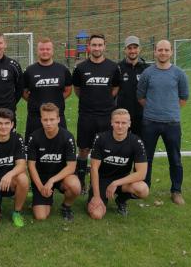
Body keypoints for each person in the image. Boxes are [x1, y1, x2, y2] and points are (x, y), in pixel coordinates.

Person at [137, 40, 190, 205]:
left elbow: (183, 98)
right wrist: (155, 109)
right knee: (147, 158)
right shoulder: (147, 73)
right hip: (150, 123)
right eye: (160, 50)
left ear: (171, 52)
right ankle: (143, 187)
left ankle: (176, 191)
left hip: (172, 123)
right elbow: (140, 96)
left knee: (175, 158)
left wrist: (169, 110)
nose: (163, 53)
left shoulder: (179, 74)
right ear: (155, 52)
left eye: (166, 50)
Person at [71, 33, 120, 194]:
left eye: (100, 45)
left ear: (104, 47)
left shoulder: (113, 67)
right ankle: (81, 181)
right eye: (94, 45)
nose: (97, 48)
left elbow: (115, 88)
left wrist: (104, 99)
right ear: (89, 47)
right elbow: (78, 90)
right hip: (86, 116)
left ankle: (100, 181)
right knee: (84, 149)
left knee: (105, 149)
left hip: (106, 116)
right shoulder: (81, 68)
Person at [86, 109, 149, 219]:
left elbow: (141, 174)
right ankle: (97, 196)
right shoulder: (101, 138)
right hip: (102, 181)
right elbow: (94, 168)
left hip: (122, 181)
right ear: (111, 122)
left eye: (124, 123)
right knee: (96, 215)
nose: (120, 126)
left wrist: (115, 183)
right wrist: (96, 196)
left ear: (129, 124)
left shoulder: (136, 142)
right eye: (117, 122)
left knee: (143, 189)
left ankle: (121, 200)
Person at [26, 103, 80, 221]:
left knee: (75, 186)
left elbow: (71, 167)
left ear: (58, 119)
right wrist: (40, 187)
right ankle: (40, 199)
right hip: (42, 178)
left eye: (52, 119)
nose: (48, 123)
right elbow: (31, 166)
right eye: (45, 119)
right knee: (41, 216)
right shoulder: (34, 137)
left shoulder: (68, 137)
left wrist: (52, 180)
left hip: (61, 177)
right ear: (41, 120)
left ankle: (66, 206)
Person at [23, 38, 72, 138]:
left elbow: (68, 90)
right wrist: (35, 101)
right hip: (35, 117)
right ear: (37, 51)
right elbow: (24, 92)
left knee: (59, 147)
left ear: (52, 50)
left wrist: (56, 100)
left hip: (57, 117)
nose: (45, 51)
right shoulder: (30, 70)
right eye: (42, 49)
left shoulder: (62, 69)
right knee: (33, 149)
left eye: (48, 49)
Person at [116, 36, 149, 137]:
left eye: (135, 48)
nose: (132, 51)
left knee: (141, 147)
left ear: (139, 49)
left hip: (142, 116)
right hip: (122, 117)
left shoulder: (147, 69)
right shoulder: (117, 68)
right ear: (125, 50)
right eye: (129, 48)